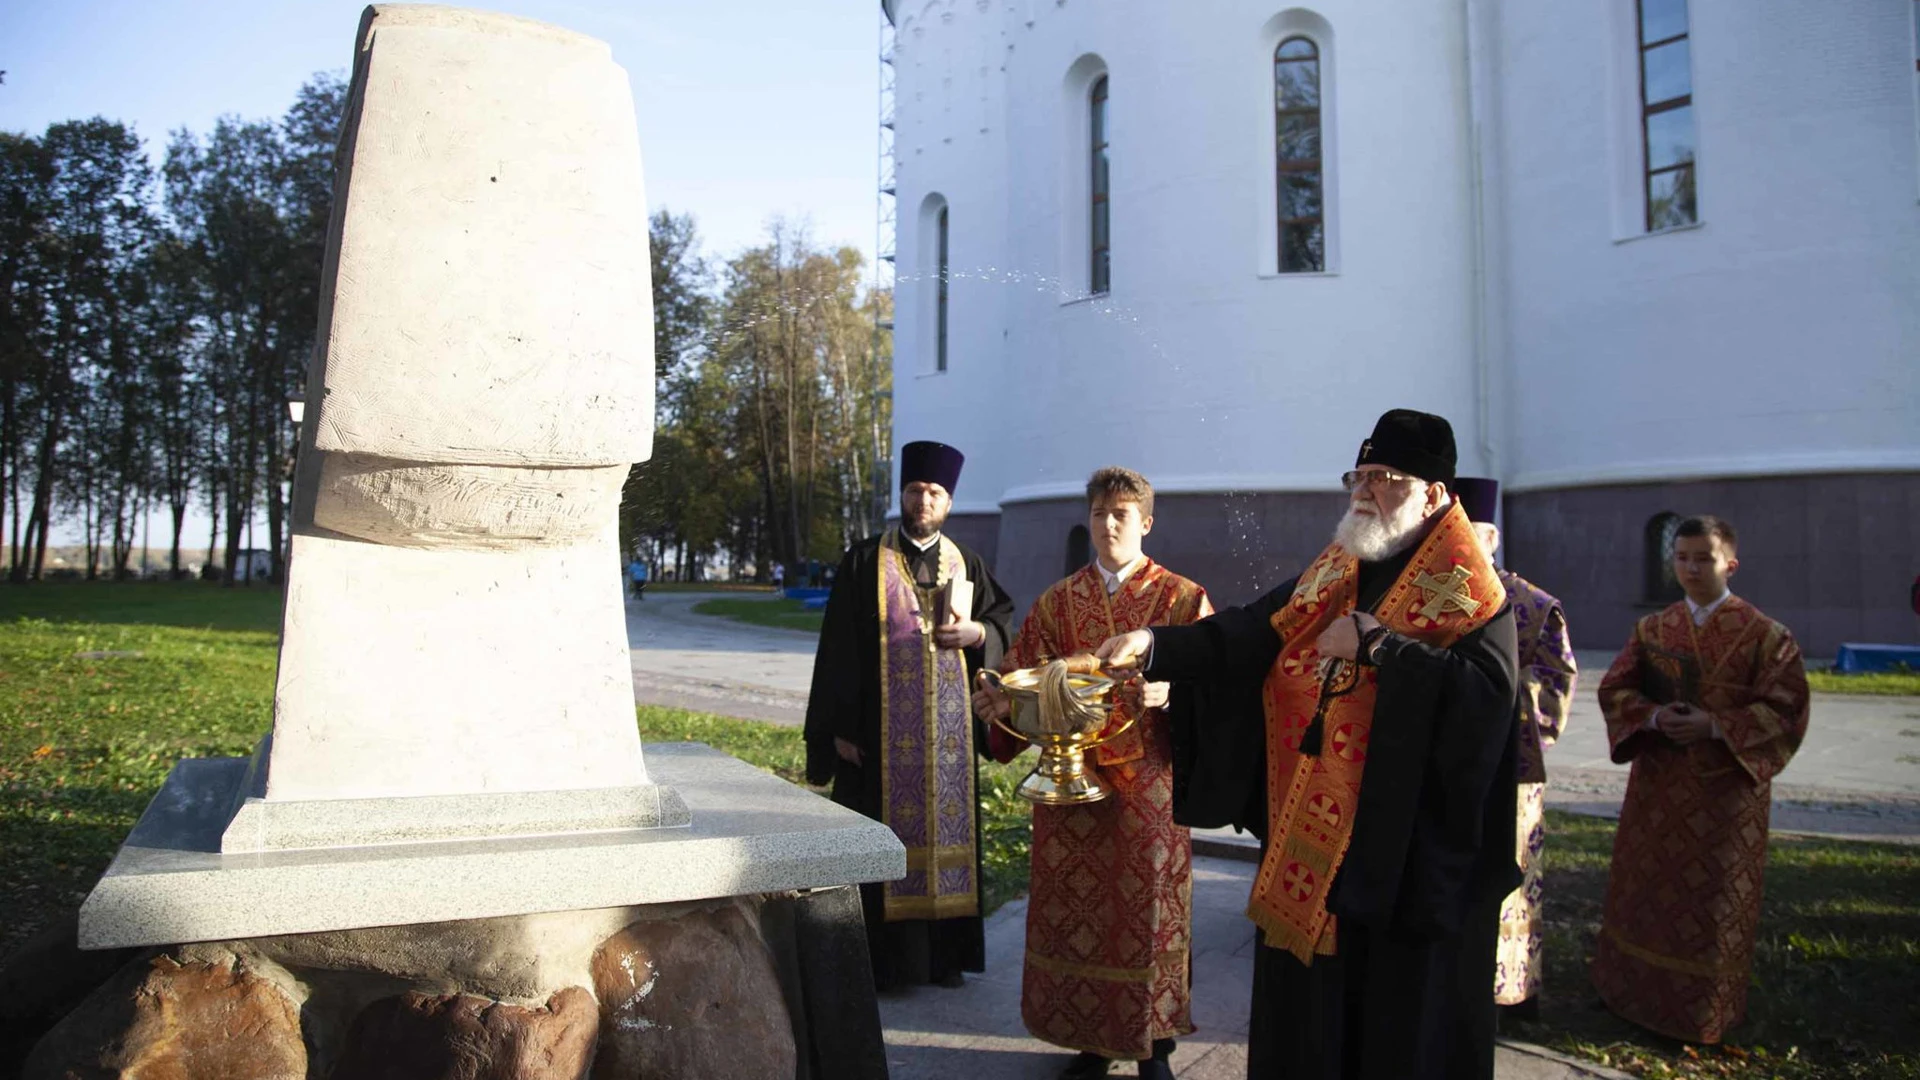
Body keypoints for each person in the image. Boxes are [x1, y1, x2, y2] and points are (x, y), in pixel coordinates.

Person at [1095, 408, 1520, 1080]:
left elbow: (1486, 702)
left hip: (1404, 853)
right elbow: (1254, 629)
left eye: (1386, 478)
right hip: (1316, 832)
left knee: (1394, 1025)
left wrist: (1380, 646)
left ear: (1436, 493)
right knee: (1312, 1020)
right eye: (1360, 475)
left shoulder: (1470, 589)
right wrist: (1156, 646)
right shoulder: (1348, 561)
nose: (1365, 491)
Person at [972, 467, 1211, 1080]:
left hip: (1148, 786)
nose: (1109, 524)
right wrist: (1001, 700)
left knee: (1146, 914)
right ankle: (1092, 1041)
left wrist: (1174, 692)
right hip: (1069, 784)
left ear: (1146, 523)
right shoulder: (1057, 601)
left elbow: (1218, 683)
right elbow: (1022, 674)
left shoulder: (1182, 599)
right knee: (1077, 915)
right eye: (1101, 513)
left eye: (1122, 514)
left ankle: (1153, 1045)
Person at [803, 440, 1016, 989]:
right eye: (917, 490)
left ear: (949, 502)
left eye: (936, 493)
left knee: (948, 842)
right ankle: (888, 967)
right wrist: (838, 732)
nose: (925, 500)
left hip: (946, 746)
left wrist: (979, 635)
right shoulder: (864, 560)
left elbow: (1005, 624)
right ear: (903, 493)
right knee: (880, 841)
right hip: (876, 741)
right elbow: (837, 651)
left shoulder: (966, 562)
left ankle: (945, 960)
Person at [1592, 515, 1809, 1044]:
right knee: (1647, 890)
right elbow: (1616, 690)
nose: (1690, 567)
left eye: (1703, 558)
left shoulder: (1767, 635)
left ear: (1729, 563)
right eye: (1682, 557)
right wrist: (1655, 717)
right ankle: (1631, 995)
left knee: (1711, 900)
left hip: (1726, 796)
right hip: (1659, 788)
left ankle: (1701, 1013)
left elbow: (1787, 709)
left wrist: (1714, 725)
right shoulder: (1653, 629)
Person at [1453, 477, 1577, 1020]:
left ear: (1492, 537)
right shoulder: (1429, 600)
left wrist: (1484, 701)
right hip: (1440, 768)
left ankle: (1505, 995)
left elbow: (1555, 685)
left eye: (1468, 534)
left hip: (1509, 766)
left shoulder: (1533, 605)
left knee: (1508, 877)